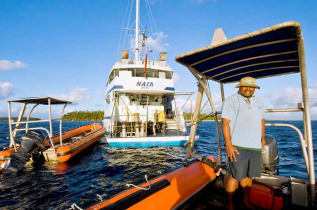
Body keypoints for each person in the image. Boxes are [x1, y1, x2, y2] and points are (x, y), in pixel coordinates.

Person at [221, 76, 265, 209]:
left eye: (251, 87)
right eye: (246, 86)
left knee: (248, 176)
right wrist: (229, 144)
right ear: (240, 87)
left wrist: (262, 138)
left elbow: (262, 120)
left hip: (255, 146)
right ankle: (229, 203)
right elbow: (225, 123)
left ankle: (246, 201)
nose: (248, 89)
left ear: (254, 89)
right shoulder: (231, 101)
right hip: (237, 145)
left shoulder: (259, 101)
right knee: (235, 175)